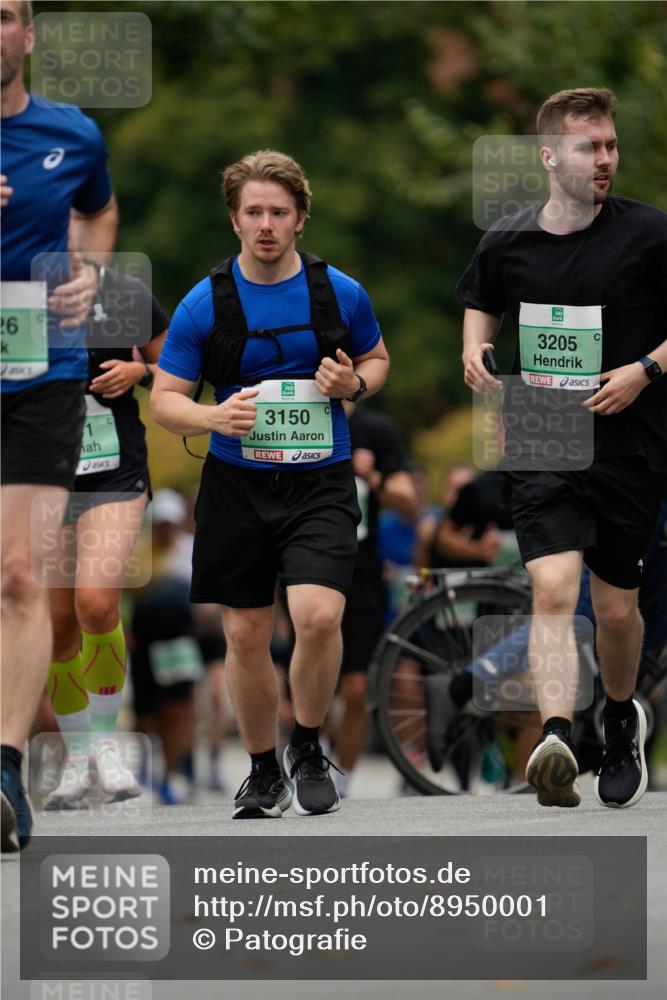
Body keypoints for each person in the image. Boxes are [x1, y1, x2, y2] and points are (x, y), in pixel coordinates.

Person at [150, 150, 389, 818]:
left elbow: (375, 356)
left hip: (318, 481)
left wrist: (357, 384)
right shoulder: (207, 302)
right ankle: (261, 770)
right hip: (236, 481)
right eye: (252, 212)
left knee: (318, 616)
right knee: (247, 636)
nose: (265, 224)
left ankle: (307, 745)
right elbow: (165, 398)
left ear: (299, 219)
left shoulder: (337, 291)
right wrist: (212, 414)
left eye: (277, 212)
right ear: (234, 220)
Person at [458, 87, 667, 809]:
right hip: (542, 431)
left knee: (615, 608)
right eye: (590, 146)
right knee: (551, 589)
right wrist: (473, 352)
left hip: (629, 442)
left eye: (610, 144)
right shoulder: (505, 240)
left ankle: (617, 718)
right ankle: (554, 733)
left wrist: (645, 371)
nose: (605, 157)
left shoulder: (650, 234)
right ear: (550, 157)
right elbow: (480, 301)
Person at [1, 0, 117, 850]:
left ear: (29, 34)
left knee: (18, 577)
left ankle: (5, 767)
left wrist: (92, 270)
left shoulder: (72, 133)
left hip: (44, 369)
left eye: (4, 16)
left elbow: (98, 209)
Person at [43, 272, 167, 810]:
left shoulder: (122, 294)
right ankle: (76, 759)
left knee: (95, 602)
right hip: (39, 473)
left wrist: (141, 369)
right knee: (56, 622)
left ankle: (108, 745)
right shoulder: (13, 291)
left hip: (112, 473)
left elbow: (181, 375)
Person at [335, 401, 418, 796]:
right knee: (302, 689)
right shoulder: (293, 412)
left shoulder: (375, 429)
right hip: (300, 572)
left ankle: (340, 780)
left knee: (355, 690)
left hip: (362, 576)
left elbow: (409, 502)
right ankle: (306, 755)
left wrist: (373, 476)